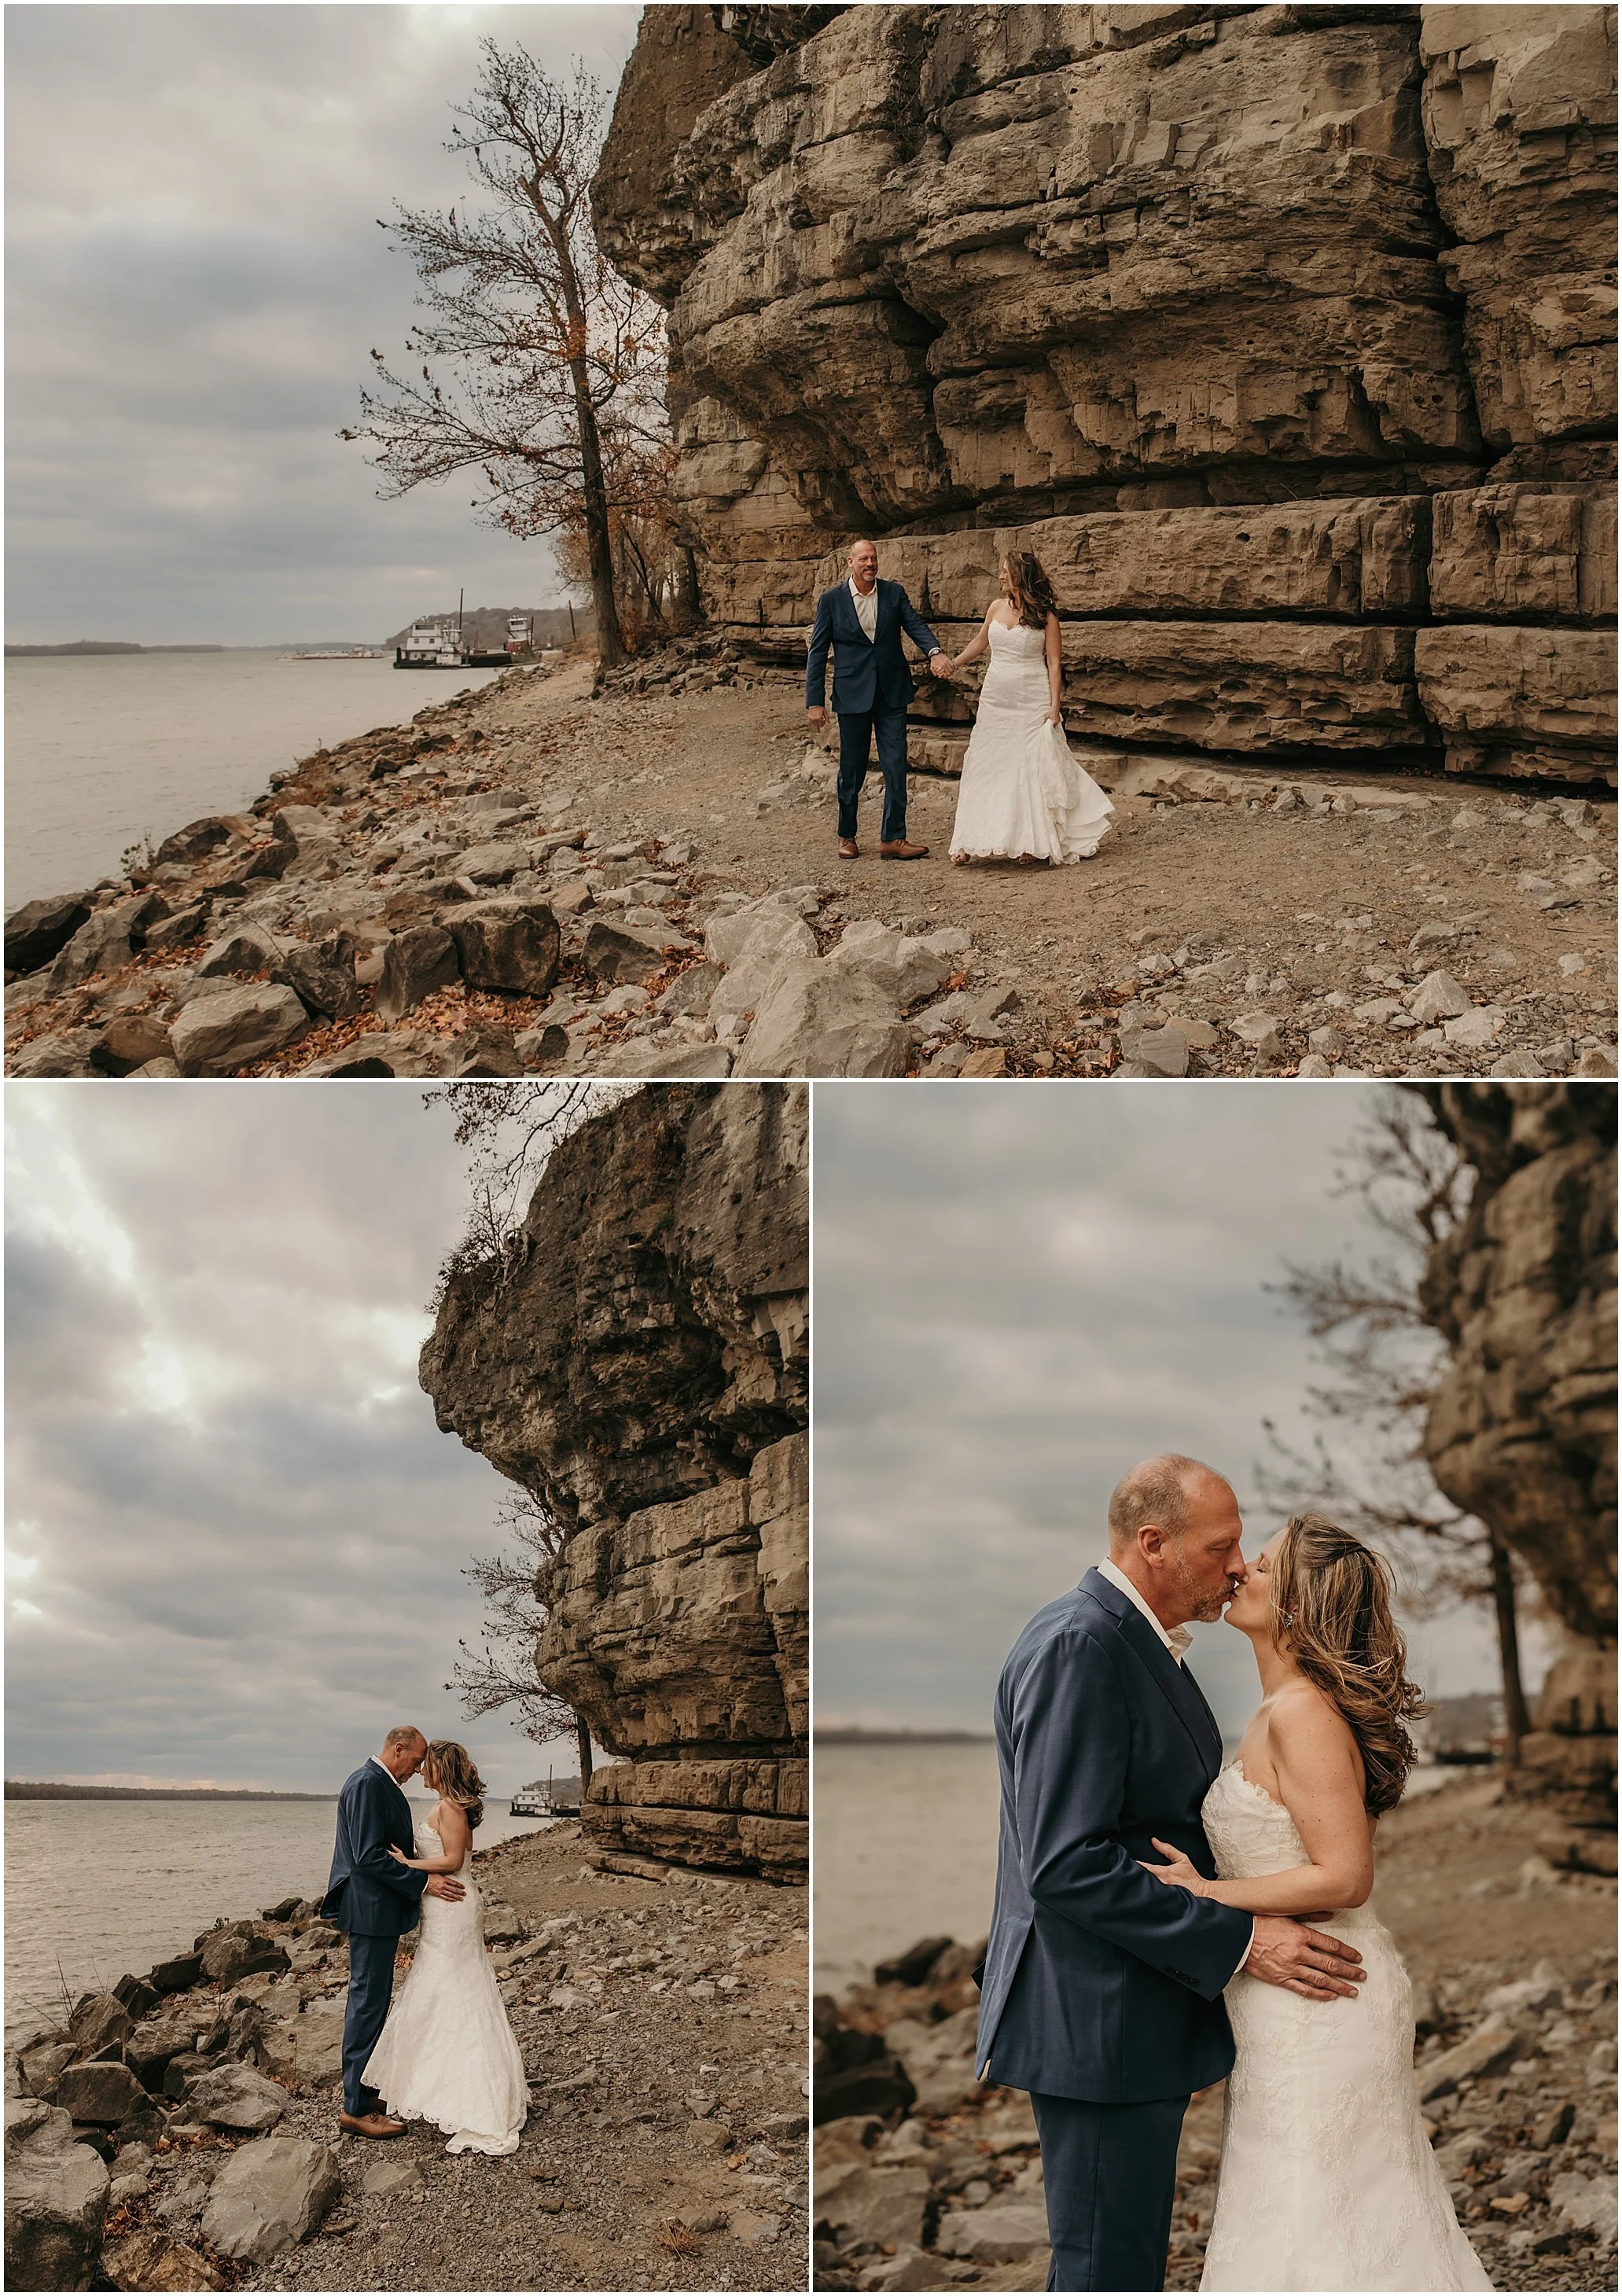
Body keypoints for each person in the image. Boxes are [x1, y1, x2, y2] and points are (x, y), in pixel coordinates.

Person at [975, 1456, 1370, 2292]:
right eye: (1221, 1546)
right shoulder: (1082, 1644)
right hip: (1094, 2016)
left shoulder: (1143, 1648)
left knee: (1125, 2260)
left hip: (1132, 2009)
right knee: (1104, 2267)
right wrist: (1238, 1940)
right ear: (1153, 1543)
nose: (1234, 1567)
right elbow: (1063, 1863)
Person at [1141, 1512, 1493, 2291]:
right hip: (1288, 1993)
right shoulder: (1280, 1709)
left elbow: (1343, 1876)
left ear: (1297, 1603)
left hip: (1322, 1990)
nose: (1239, 1573)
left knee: (1321, 2209)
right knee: (1305, 2201)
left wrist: (1205, 1892)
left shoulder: (1301, 1713)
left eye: (1261, 1567)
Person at [362, 1738, 529, 2156]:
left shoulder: (452, 1808)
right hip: (442, 1908)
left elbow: (453, 1860)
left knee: (457, 1990)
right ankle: (441, 2086)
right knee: (444, 1988)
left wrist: (407, 1865)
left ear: (441, 1768)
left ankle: (473, 2096)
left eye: (426, 1764)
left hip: (452, 1905)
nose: (420, 1770)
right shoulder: (449, 1805)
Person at [322, 1725, 465, 2140]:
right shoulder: (367, 1784)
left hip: (377, 1912)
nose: (418, 1768)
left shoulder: (375, 1782)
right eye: (416, 1760)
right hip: (369, 1913)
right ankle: (355, 2108)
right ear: (398, 1749)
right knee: (367, 2004)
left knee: (374, 2002)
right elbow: (368, 1857)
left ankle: (366, 2091)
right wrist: (423, 1884)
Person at [945, 550, 1114, 866]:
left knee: (1027, 767)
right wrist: (954, 663)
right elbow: (981, 641)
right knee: (986, 763)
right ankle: (968, 840)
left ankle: (1029, 841)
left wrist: (1054, 705)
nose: (1000, 576)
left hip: (1031, 698)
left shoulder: (1046, 615)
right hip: (996, 699)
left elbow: (1053, 662)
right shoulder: (996, 607)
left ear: (1020, 576)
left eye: (1005, 571)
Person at [806, 537, 954, 861]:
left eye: (873, 558)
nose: (870, 563)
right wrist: (814, 702)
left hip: (891, 692)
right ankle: (847, 834)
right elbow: (817, 652)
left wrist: (935, 652)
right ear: (851, 563)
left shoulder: (893, 593)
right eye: (863, 559)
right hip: (852, 694)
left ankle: (894, 838)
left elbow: (915, 625)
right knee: (852, 768)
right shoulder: (832, 600)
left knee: (895, 763)